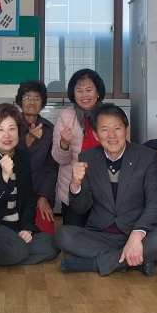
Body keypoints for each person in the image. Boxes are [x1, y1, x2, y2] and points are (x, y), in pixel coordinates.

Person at [55, 104, 157, 276]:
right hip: (100, 235)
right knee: (63, 235)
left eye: (117, 128)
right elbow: (81, 208)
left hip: (135, 232)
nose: (112, 135)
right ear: (96, 134)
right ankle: (134, 262)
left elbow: (155, 203)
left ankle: (94, 264)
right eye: (105, 130)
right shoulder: (87, 157)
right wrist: (75, 185)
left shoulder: (146, 156)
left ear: (126, 130)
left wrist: (137, 235)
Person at [0, 104, 59, 266]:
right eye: (0, 129)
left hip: (17, 227)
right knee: (17, 250)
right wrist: (4, 177)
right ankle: (8, 251)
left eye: (12, 129)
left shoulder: (22, 157)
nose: (7, 135)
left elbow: (29, 198)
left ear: (19, 131)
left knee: (53, 245)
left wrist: (26, 228)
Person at [52, 69, 105, 227]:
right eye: (79, 90)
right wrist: (64, 144)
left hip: (105, 188)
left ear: (98, 92)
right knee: (73, 233)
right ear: (73, 94)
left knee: (102, 233)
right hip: (74, 187)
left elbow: (124, 151)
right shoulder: (65, 116)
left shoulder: (110, 116)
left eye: (89, 90)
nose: (84, 95)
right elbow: (59, 159)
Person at [15, 80, 59, 234]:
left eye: (36, 98)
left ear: (42, 102)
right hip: (12, 193)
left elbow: (51, 168)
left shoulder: (49, 130)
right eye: (27, 97)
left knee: (46, 234)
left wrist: (44, 196)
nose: (32, 102)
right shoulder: (11, 125)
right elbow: (5, 154)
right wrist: (28, 140)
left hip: (38, 193)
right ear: (20, 101)